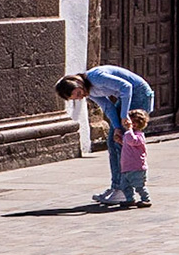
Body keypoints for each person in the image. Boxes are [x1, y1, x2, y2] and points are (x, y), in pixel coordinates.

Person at [56, 66, 154, 204]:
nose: (80, 97)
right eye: (76, 98)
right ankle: (117, 187)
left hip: (139, 94)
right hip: (126, 96)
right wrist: (116, 128)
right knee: (113, 140)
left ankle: (124, 190)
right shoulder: (89, 91)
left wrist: (124, 115)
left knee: (122, 143)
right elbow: (108, 107)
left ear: (78, 83)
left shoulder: (96, 77)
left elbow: (126, 87)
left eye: (78, 93)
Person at [116, 108, 151, 207]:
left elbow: (133, 141)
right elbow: (127, 143)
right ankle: (129, 198)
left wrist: (129, 129)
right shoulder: (128, 134)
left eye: (135, 122)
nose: (131, 124)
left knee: (139, 186)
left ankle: (146, 199)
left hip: (137, 167)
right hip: (126, 166)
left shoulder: (139, 135)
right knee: (125, 185)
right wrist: (120, 141)